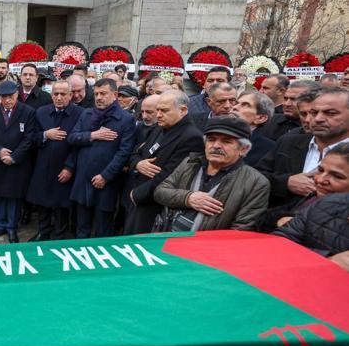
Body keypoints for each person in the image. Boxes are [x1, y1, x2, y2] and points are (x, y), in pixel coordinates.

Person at [153, 116, 270, 231]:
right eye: (211, 139)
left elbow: (241, 231)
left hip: (206, 248)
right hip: (165, 239)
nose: (216, 146)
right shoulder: (190, 163)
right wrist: (187, 198)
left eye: (226, 141)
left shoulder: (256, 183)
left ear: (243, 149)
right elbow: (160, 192)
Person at [124, 90, 204, 234]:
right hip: (139, 197)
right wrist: (138, 164)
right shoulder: (161, 128)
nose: (159, 115)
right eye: (158, 110)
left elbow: (171, 175)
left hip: (156, 205)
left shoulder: (191, 137)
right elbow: (137, 152)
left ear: (183, 110)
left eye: (164, 110)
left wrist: (137, 194)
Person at [257, 87, 349, 207]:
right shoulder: (288, 142)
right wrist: (286, 182)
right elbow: (257, 176)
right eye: (314, 112)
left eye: (330, 113)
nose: (317, 119)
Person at [68, 78, 136, 237]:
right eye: (96, 93)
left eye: (103, 93)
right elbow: (72, 138)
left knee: (103, 228)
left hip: (106, 183)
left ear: (115, 94)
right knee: (82, 227)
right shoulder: (87, 114)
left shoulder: (126, 119)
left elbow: (124, 152)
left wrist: (105, 176)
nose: (98, 97)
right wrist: (92, 135)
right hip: (84, 179)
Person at [26, 80, 83, 241]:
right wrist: (45, 134)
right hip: (43, 165)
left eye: (63, 94)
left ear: (70, 95)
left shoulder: (80, 114)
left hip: (65, 165)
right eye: (55, 94)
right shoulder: (41, 112)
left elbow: (79, 145)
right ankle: (43, 232)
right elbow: (32, 137)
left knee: (61, 204)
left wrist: (70, 168)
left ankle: (59, 234)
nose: (59, 97)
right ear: (51, 95)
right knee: (42, 201)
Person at [0, 81, 35, 243]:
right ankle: (0, 224)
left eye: (10, 96)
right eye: (3, 97)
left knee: (13, 197)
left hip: (17, 163)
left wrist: (14, 157)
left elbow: (29, 139)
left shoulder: (28, 112)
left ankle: (11, 227)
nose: (7, 100)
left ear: (17, 94)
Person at [231, 91, 275, 166]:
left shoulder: (269, 149)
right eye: (236, 103)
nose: (234, 107)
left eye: (245, 105)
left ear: (261, 118)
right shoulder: (215, 135)